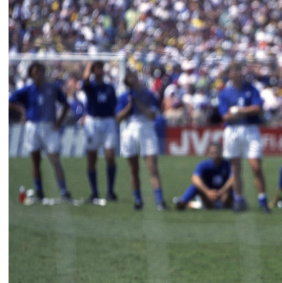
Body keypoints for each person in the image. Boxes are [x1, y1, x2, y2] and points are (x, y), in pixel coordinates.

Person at [8, 62, 72, 200]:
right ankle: (39, 192)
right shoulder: (27, 90)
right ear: (31, 74)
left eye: (40, 71)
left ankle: (63, 191)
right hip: (33, 126)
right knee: (35, 161)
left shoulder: (52, 88)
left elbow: (66, 104)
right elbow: (10, 101)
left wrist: (59, 122)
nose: (38, 74)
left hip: (49, 126)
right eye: (35, 71)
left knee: (55, 159)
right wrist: (22, 111)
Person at [218, 63, 271, 213]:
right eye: (234, 71)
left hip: (250, 129)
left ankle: (262, 200)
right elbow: (225, 115)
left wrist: (238, 111)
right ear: (229, 74)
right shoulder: (225, 93)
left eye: (239, 71)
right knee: (235, 168)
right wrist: (241, 113)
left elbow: (258, 108)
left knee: (256, 167)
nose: (237, 74)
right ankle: (239, 199)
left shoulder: (251, 89)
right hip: (232, 130)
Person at [115, 69, 168, 210]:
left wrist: (138, 103)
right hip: (130, 129)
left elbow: (152, 115)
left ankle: (159, 200)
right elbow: (118, 118)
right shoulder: (123, 97)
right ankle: (138, 200)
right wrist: (129, 107)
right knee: (133, 168)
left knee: (152, 167)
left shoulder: (148, 95)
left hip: (146, 128)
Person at [79, 60, 118, 202]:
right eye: (97, 68)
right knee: (92, 158)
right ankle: (94, 192)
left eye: (101, 68)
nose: (99, 70)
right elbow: (85, 80)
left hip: (108, 121)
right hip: (93, 122)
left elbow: (114, 105)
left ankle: (110, 191)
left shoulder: (109, 88)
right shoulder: (90, 87)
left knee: (110, 156)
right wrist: (89, 66)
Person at [173, 140, 234, 209]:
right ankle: (182, 202)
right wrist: (207, 192)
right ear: (209, 153)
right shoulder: (203, 165)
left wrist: (221, 192)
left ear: (221, 152)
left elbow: (233, 178)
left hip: (224, 197)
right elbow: (195, 178)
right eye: (212, 152)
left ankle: (238, 201)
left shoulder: (228, 164)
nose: (215, 154)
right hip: (208, 198)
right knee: (195, 186)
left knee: (235, 185)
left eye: (217, 152)